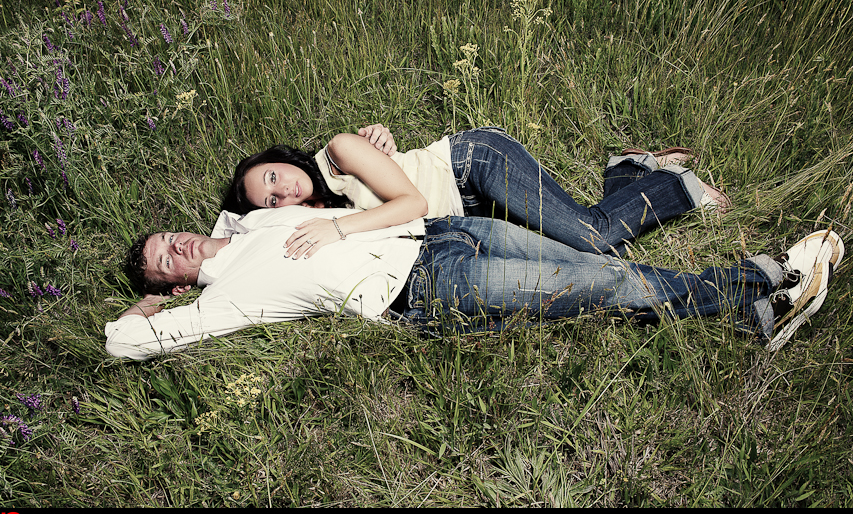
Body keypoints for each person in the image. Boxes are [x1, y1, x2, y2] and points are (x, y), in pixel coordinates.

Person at [105, 205, 842, 360]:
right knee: (611, 290)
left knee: (607, 274)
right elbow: (125, 345)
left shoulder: (252, 229)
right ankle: (764, 278)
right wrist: (145, 305)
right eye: (166, 257)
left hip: (447, 231)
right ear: (173, 284)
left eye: (172, 233)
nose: (179, 244)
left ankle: (753, 315)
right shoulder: (225, 296)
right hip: (432, 289)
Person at [221, 125, 730, 260]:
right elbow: (231, 243)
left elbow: (414, 205)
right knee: (577, 230)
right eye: (271, 201)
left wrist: (336, 229)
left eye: (272, 177)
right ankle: (629, 171)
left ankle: (674, 187)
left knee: (593, 240)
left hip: (476, 165)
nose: (283, 191)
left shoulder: (340, 152)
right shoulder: (315, 216)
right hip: (474, 212)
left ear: (281, 161)